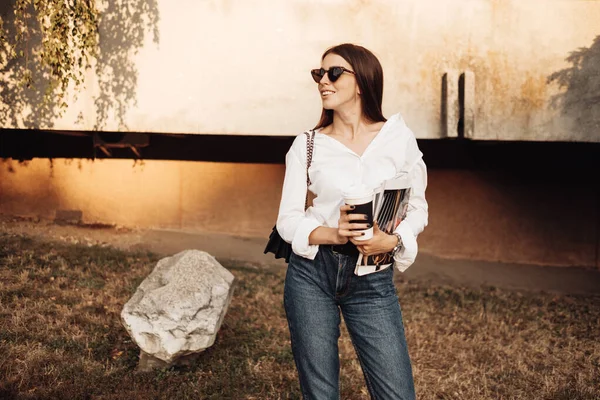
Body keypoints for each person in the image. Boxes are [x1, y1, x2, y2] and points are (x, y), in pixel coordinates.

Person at [276, 43, 428, 400]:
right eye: (319, 74)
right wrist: (334, 232)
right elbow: (287, 220)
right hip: (312, 274)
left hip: (372, 278)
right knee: (321, 392)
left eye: (333, 73)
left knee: (397, 393)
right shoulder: (308, 145)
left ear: (361, 82)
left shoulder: (397, 139)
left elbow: (418, 207)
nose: (323, 82)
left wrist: (392, 240)